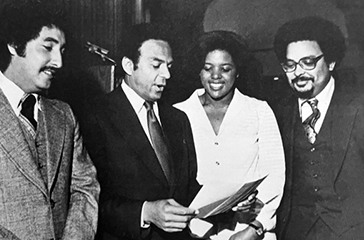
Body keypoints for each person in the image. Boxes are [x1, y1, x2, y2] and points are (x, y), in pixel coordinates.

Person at [0, 1, 100, 239]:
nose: (59, 62)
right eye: (47, 47)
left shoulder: (64, 115)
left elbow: (85, 187)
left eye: (63, 51)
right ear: (15, 45)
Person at [80, 23, 201, 240]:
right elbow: (87, 199)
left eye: (169, 66)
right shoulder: (94, 117)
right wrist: (145, 212)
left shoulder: (178, 119)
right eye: (156, 65)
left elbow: (187, 188)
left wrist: (229, 203)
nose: (166, 75)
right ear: (128, 65)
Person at [174, 30, 285, 240]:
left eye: (225, 69)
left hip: (247, 231)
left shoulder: (259, 111)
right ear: (199, 71)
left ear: (237, 72)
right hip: (194, 233)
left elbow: (276, 175)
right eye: (208, 68)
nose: (216, 76)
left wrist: (255, 226)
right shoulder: (179, 113)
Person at [271, 16, 364, 240]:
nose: (298, 72)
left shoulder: (358, 106)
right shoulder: (277, 112)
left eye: (308, 62)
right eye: (290, 65)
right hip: (295, 232)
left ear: (330, 62)